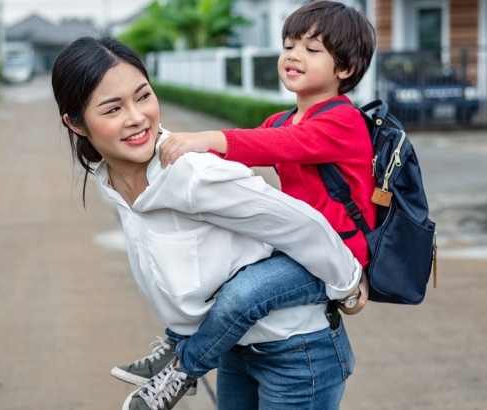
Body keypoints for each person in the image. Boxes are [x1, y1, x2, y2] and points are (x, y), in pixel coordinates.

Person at [51, 34, 362, 410]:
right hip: (236, 349)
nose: (137, 118)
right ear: (76, 123)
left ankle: (184, 366)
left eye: (143, 96)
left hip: (297, 353)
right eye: (113, 109)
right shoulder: (110, 176)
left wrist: (348, 284)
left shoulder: (194, 174)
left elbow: (303, 225)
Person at [122, 1, 376, 403]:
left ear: (344, 69)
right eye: (289, 44)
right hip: (295, 249)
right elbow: (244, 149)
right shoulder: (283, 119)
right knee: (218, 280)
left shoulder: (343, 121)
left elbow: (275, 146)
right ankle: (176, 343)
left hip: (335, 251)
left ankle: (183, 369)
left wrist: (206, 137)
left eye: (312, 49)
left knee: (244, 296)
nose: (293, 55)